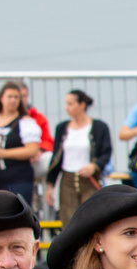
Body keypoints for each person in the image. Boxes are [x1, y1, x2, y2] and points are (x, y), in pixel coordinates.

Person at [45, 91, 111, 227]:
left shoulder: (99, 127)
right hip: (67, 178)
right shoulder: (62, 128)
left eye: (70, 104)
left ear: (81, 105)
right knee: (69, 219)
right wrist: (50, 184)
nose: (66, 107)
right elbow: (56, 156)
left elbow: (106, 152)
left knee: (93, 216)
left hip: (89, 178)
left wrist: (95, 166)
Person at [0, 82, 44, 204]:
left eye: (16, 97)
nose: (13, 100)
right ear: (1, 98)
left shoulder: (25, 122)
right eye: (10, 97)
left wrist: (5, 153)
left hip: (18, 179)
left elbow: (32, 149)